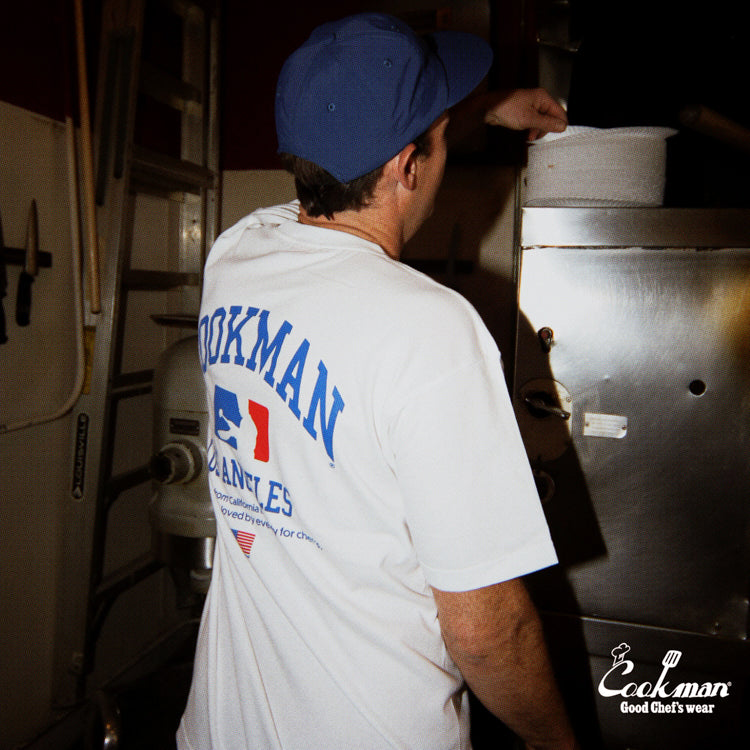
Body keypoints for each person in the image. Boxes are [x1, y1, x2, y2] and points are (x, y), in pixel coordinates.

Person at [178, 12, 576, 750]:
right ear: (408, 166)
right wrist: (557, 742)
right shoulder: (433, 331)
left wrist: (482, 110)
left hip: (222, 729)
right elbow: (487, 631)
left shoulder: (235, 255)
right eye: (439, 137)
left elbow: (349, 157)